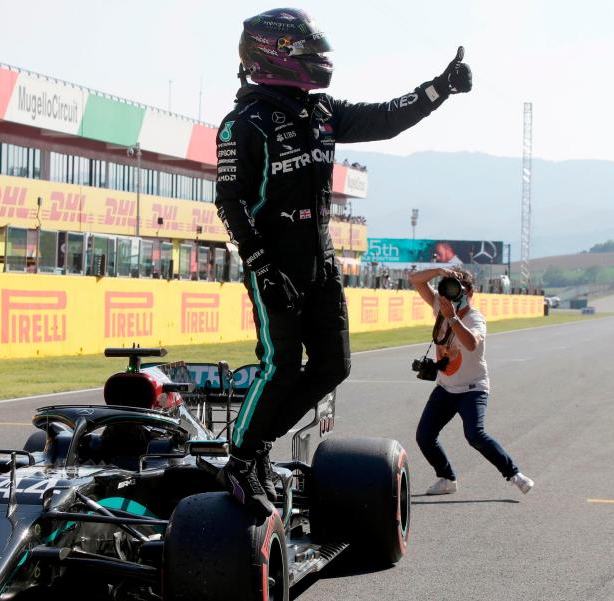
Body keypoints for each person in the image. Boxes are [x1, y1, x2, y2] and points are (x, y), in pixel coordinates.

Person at [215, 7, 473, 516]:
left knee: (334, 365)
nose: (319, 59)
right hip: (275, 266)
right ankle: (242, 460)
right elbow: (230, 202)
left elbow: (384, 118)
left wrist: (438, 88)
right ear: (273, 54)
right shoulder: (242, 123)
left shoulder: (321, 110)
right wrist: (262, 264)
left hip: (322, 261)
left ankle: (257, 447)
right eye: (307, 51)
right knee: (281, 368)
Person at [408, 267, 534, 496]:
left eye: (458, 290)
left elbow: (471, 343)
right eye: (449, 288)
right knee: (424, 436)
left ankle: (514, 474)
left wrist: (453, 318)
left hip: (473, 388)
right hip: (446, 387)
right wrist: (439, 270)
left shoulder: (475, 317)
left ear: (469, 294)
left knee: (475, 434)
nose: (452, 294)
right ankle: (446, 478)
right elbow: (414, 280)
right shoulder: (440, 305)